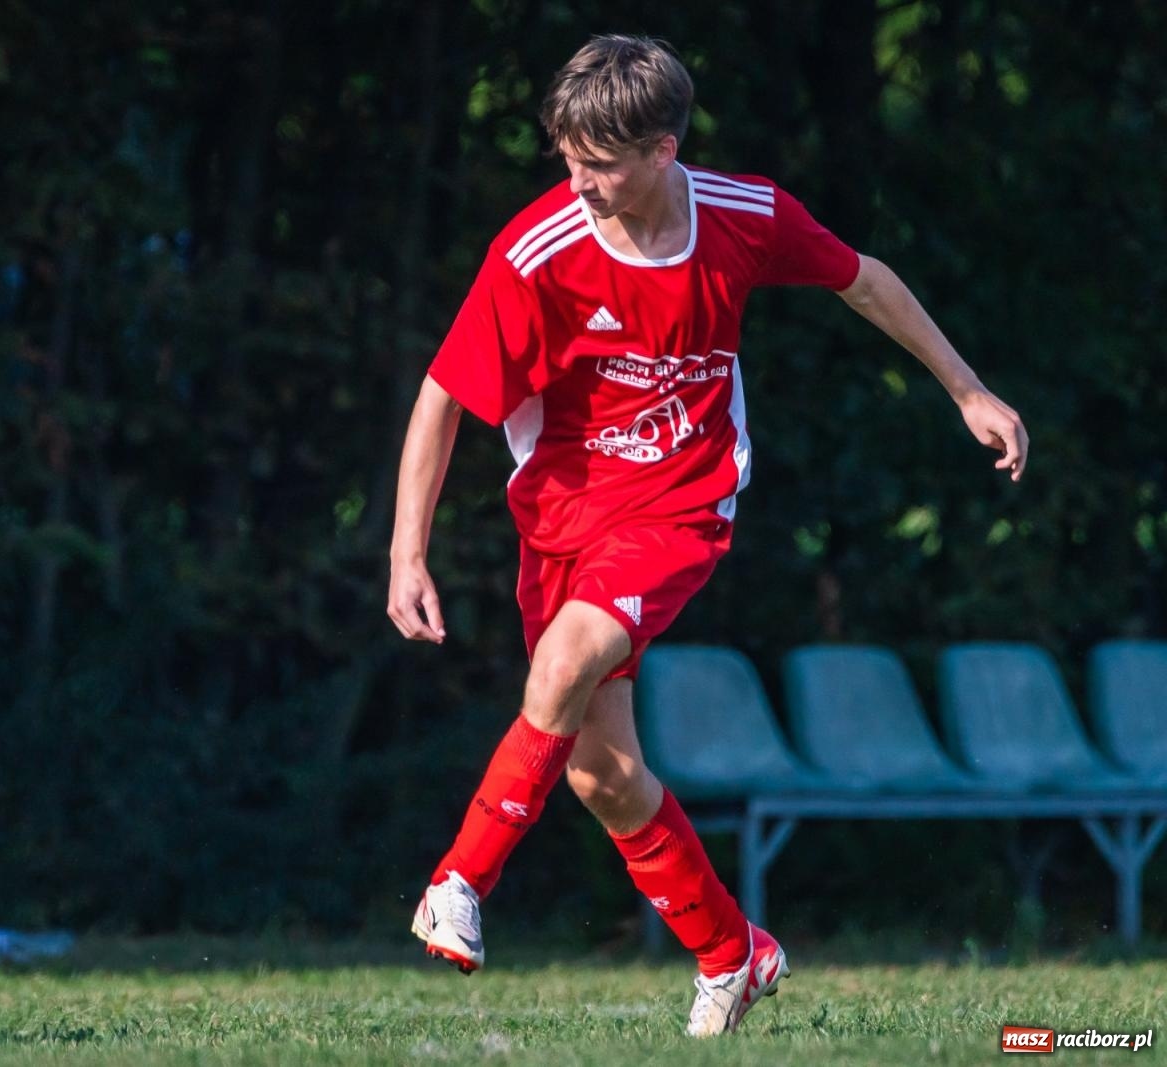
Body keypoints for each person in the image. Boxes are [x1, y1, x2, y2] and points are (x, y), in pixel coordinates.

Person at [386, 34, 1027, 1037]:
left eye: (597, 163)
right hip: (560, 515)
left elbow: (865, 279)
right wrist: (405, 555)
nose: (578, 180)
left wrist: (969, 390)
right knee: (598, 768)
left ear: (662, 151)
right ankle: (734, 953)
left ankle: (459, 879)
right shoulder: (537, 252)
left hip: (683, 504)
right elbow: (442, 395)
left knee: (561, 662)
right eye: (565, 156)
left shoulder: (743, 216)